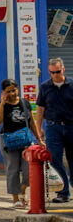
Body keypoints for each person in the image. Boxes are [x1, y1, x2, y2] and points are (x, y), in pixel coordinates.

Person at [36, 57, 73, 203]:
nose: (55, 75)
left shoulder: (71, 85)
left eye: (57, 71)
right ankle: (63, 192)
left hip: (71, 126)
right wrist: (38, 129)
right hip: (53, 127)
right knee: (54, 159)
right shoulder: (45, 87)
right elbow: (40, 108)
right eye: (52, 72)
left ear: (63, 69)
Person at [0, 78, 33, 208]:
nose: (12, 93)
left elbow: (31, 122)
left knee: (29, 170)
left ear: (18, 89)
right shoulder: (2, 105)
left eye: (14, 90)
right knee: (13, 169)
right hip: (8, 141)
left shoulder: (25, 103)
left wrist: (40, 138)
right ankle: (16, 198)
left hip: (25, 140)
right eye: (8, 91)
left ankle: (22, 191)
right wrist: (2, 104)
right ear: (3, 92)